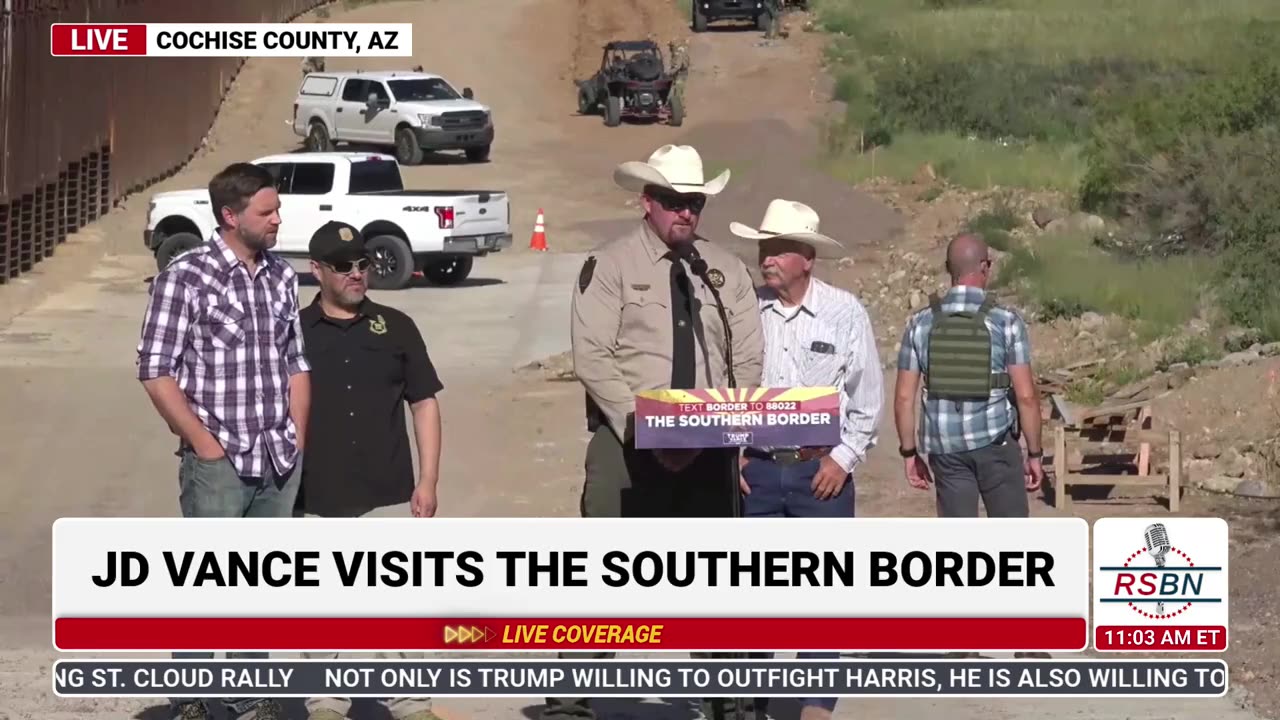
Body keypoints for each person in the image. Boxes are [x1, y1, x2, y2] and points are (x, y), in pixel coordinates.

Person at [543, 144, 765, 720]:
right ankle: (572, 697)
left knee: (719, 581)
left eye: (694, 202)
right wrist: (646, 429)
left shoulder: (723, 271)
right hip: (628, 442)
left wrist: (725, 429)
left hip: (708, 447)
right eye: (672, 201)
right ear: (648, 202)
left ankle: (733, 698)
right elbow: (592, 355)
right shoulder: (612, 264)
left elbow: (748, 357)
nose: (685, 213)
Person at [136, 162, 310, 720]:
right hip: (218, 464)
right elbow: (155, 370)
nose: (278, 219)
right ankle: (191, 700)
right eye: (267, 211)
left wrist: (296, 438)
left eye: (277, 208)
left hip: (277, 458)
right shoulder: (186, 276)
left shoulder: (282, 277)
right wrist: (205, 445)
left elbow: (296, 364)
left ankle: (246, 698)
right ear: (230, 217)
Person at [732, 199, 883, 720]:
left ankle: (817, 701)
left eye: (778, 248)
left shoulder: (845, 313)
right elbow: (727, 390)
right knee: (751, 593)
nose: (766, 257)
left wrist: (843, 459)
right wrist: (732, 457)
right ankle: (753, 697)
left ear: (807, 257)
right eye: (763, 246)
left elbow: (867, 398)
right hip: (758, 469)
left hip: (821, 471)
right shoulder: (745, 311)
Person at [293, 221, 444, 720]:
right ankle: (326, 702)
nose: (357, 274)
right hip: (318, 494)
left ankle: (410, 701)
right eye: (343, 266)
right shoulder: (294, 331)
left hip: (388, 490)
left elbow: (423, 403)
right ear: (317, 271)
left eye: (363, 263)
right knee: (323, 607)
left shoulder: (397, 326)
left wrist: (428, 481)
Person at [892, 231, 1045, 517]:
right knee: (1012, 544)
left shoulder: (920, 322)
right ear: (985, 267)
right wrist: (1034, 454)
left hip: (945, 450)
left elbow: (903, 398)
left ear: (949, 269)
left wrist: (909, 454)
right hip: (996, 444)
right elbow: (1026, 396)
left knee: (959, 546)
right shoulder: (1005, 321)